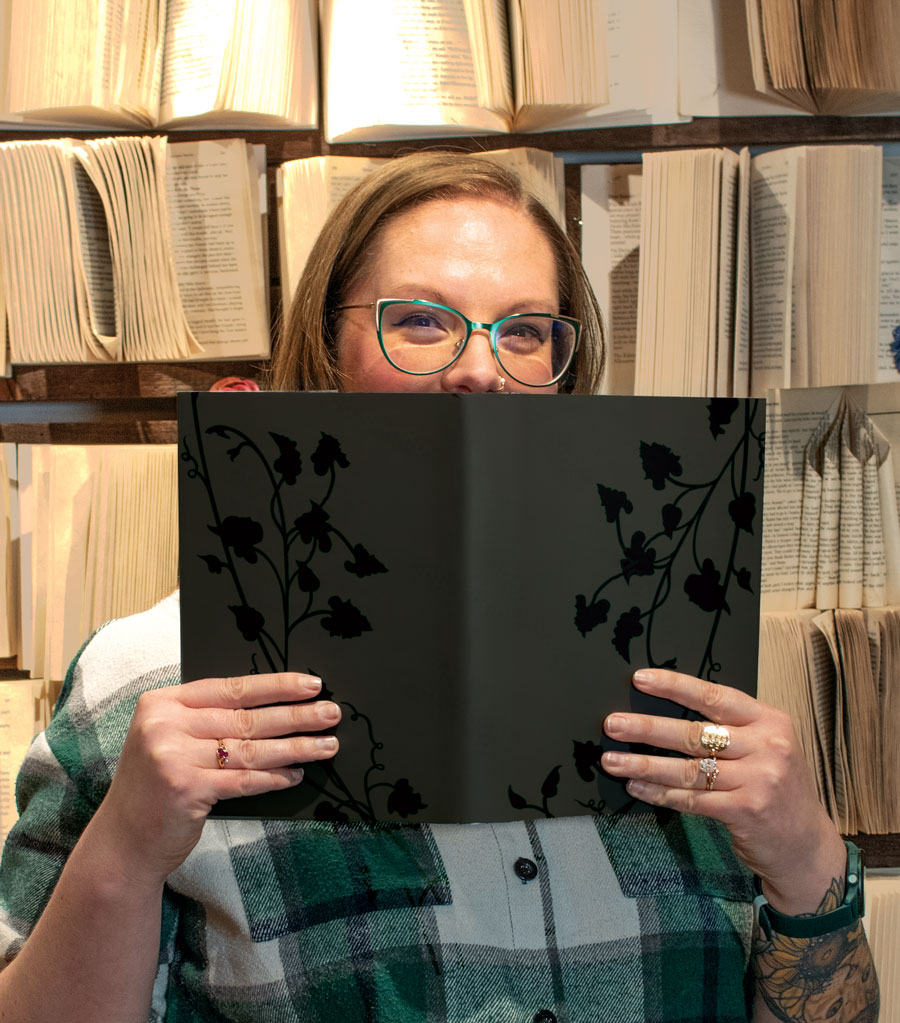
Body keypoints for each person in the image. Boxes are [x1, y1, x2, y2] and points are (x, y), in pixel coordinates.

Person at [0, 152, 878, 1023]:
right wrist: (123, 848)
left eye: (528, 330)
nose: (482, 368)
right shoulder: (149, 681)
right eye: (422, 321)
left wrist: (806, 864)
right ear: (325, 346)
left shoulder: (679, 663)